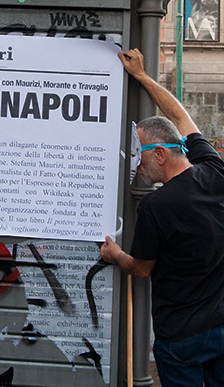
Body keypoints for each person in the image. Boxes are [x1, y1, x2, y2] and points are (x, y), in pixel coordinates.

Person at [101, 47, 224, 387]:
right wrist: (142, 76)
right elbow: (180, 117)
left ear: (159, 154)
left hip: (181, 337)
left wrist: (115, 254)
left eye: (138, 158)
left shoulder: (156, 206)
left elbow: (142, 268)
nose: (137, 167)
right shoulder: (215, 170)